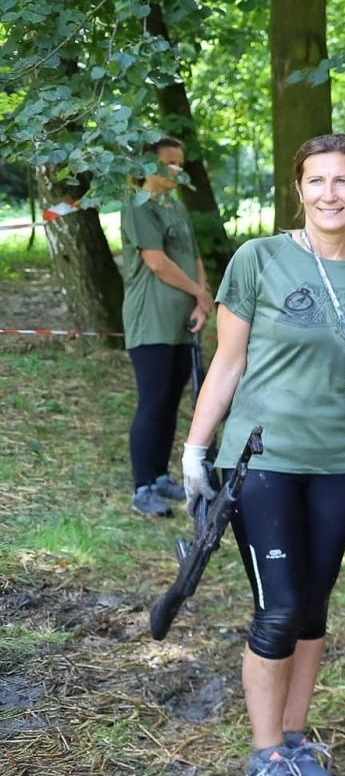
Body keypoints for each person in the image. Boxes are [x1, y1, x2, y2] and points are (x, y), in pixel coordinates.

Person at [181, 134, 345, 776]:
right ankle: (264, 754)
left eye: (344, 181)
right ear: (299, 190)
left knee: (312, 609)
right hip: (262, 461)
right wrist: (196, 448)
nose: (331, 194)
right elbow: (227, 361)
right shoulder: (260, 259)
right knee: (277, 607)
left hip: (337, 464)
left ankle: (295, 736)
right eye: (318, 181)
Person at [121, 136, 213, 518]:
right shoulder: (138, 206)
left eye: (180, 163)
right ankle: (142, 487)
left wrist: (202, 297)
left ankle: (159, 477)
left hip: (181, 321)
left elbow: (192, 257)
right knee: (153, 401)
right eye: (168, 163)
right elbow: (157, 262)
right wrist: (198, 293)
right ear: (148, 167)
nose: (176, 170)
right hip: (150, 321)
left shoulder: (175, 206)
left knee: (171, 403)